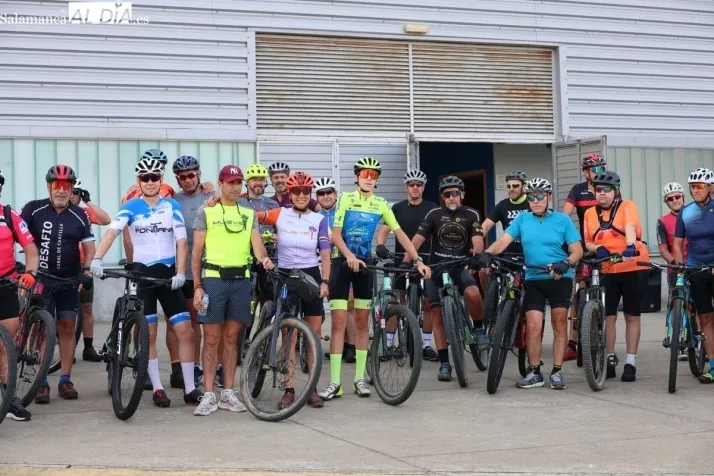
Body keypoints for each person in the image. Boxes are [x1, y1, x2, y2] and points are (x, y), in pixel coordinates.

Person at [91, 158, 203, 408]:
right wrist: (97, 258)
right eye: (145, 178)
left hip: (168, 276)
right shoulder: (130, 207)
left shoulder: (171, 205)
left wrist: (180, 272)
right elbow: (111, 233)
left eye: (154, 177)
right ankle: (158, 389)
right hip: (143, 277)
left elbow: (182, 242)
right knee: (148, 334)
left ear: (161, 180)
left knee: (185, 331)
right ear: (138, 181)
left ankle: (190, 388)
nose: (150, 182)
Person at [318, 157, 430, 401]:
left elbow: (400, 234)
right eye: (365, 174)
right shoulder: (346, 198)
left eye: (374, 175)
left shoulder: (380, 204)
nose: (369, 178)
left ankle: (359, 379)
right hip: (341, 263)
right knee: (338, 323)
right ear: (356, 177)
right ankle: (335, 383)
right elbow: (336, 235)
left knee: (361, 323)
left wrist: (418, 260)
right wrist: (349, 256)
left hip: (365, 265)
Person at [478, 178, 583, 390]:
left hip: (559, 278)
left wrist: (566, 263)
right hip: (534, 278)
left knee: (559, 323)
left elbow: (577, 251)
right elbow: (503, 241)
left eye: (540, 196)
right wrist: (487, 254)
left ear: (548, 197)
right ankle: (535, 372)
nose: (535, 201)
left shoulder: (563, 220)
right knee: (533, 326)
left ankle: (556, 371)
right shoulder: (523, 219)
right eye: (532, 197)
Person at [191, 165, 274, 416]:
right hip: (213, 279)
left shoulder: (248, 213)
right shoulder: (206, 210)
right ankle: (208, 394)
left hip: (241, 280)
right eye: (230, 183)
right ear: (221, 184)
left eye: (239, 182)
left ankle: (227, 392)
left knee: (231, 338)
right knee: (211, 339)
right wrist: (197, 287)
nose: (235, 187)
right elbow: (196, 253)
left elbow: (257, 247)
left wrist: (264, 259)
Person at [255, 172, 331, 410]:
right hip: (286, 275)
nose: (301, 195)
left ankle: (312, 388)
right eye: (296, 191)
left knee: (314, 333)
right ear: (290, 193)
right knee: (289, 333)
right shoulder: (280, 214)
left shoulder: (319, 219)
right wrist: (217, 199)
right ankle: (288, 388)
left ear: (310, 194)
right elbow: (249, 216)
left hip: (311, 275)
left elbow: (325, 253)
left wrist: (325, 281)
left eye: (305, 191)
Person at [21, 165, 95, 403]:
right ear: (49, 187)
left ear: (72, 189)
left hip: (68, 280)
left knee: (67, 327)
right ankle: (41, 381)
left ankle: (65, 379)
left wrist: (86, 271)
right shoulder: (33, 209)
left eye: (66, 186)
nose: (61, 190)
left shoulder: (80, 214)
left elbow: (89, 246)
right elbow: (17, 236)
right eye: (57, 185)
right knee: (42, 328)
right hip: (41, 279)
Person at [409, 176, 488, 382]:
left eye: (455, 193)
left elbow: (478, 240)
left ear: (462, 194)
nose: (451, 197)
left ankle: (479, 328)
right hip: (435, 268)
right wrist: (406, 261)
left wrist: (477, 256)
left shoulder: (472, 214)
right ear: (443, 197)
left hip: (459, 266)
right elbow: (416, 240)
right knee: (436, 313)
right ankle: (445, 363)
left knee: (473, 293)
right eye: (447, 194)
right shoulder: (434, 214)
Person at [582, 170, 649, 382]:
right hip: (607, 268)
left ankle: (630, 362)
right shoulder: (589, 213)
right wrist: (598, 248)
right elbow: (588, 241)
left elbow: (630, 226)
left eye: (607, 189)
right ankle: (610, 358)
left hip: (633, 265)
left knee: (631, 315)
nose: (602, 193)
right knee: (608, 316)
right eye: (598, 189)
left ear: (616, 191)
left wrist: (630, 246)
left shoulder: (627, 206)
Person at [376, 169, 439, 361]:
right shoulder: (397, 208)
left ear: (423, 188)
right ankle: (388, 345)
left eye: (419, 185)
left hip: (426, 260)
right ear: (406, 187)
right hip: (401, 262)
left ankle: (426, 345)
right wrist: (380, 245)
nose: (415, 188)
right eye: (412, 185)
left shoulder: (432, 208)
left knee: (428, 302)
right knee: (395, 301)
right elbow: (384, 229)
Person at [172, 156, 215, 387]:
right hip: (186, 270)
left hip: (212, 266)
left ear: (199, 174)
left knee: (215, 323)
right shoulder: (173, 200)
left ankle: (216, 367)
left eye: (191, 175)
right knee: (194, 321)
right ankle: (196, 367)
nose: (187, 180)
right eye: (182, 177)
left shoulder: (211, 196)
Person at [0, 168, 38, 421]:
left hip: (5, 286)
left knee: (5, 346)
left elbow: (31, 250)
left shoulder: (9, 215)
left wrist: (31, 273)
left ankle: (9, 399)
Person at [562, 153, 607, 361]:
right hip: (585, 247)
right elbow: (565, 216)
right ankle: (572, 342)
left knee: (607, 292)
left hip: (605, 246)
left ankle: (604, 336)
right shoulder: (577, 190)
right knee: (579, 291)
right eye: (595, 169)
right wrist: (565, 238)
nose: (599, 172)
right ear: (586, 173)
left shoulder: (608, 188)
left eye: (601, 168)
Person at [673, 168, 714, 383]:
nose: (695, 190)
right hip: (696, 268)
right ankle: (713, 367)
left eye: (699, 186)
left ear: (710, 188)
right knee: (705, 319)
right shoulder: (686, 212)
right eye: (692, 187)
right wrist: (681, 266)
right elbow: (677, 243)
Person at [315, 177, 358, 363]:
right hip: (324, 264)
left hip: (344, 262)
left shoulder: (345, 212)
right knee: (334, 306)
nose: (325, 196)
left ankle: (351, 347)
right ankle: (339, 346)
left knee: (349, 305)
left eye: (329, 192)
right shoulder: (315, 216)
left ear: (335, 194)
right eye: (321, 193)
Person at [70, 179, 111, 363]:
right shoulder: (58, 212)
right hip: (65, 266)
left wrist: (88, 201)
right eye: (71, 191)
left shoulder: (84, 213)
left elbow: (106, 220)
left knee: (86, 307)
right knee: (65, 310)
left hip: (84, 265)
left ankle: (88, 347)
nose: (72, 196)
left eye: (76, 192)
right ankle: (66, 350)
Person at [479, 170, 530, 292]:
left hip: (529, 253)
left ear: (524, 186)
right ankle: (489, 298)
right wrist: (476, 237)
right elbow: (486, 225)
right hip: (508, 254)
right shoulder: (502, 205)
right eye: (509, 186)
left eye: (515, 186)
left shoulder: (532, 203)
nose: (511, 189)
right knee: (483, 271)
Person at [656, 182, 689, 360]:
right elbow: (663, 249)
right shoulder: (662, 221)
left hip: (696, 265)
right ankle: (676, 338)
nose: (675, 200)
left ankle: (701, 341)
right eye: (670, 198)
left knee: (700, 305)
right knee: (676, 301)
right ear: (666, 202)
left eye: (677, 197)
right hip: (676, 268)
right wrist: (675, 262)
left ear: (683, 197)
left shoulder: (694, 215)